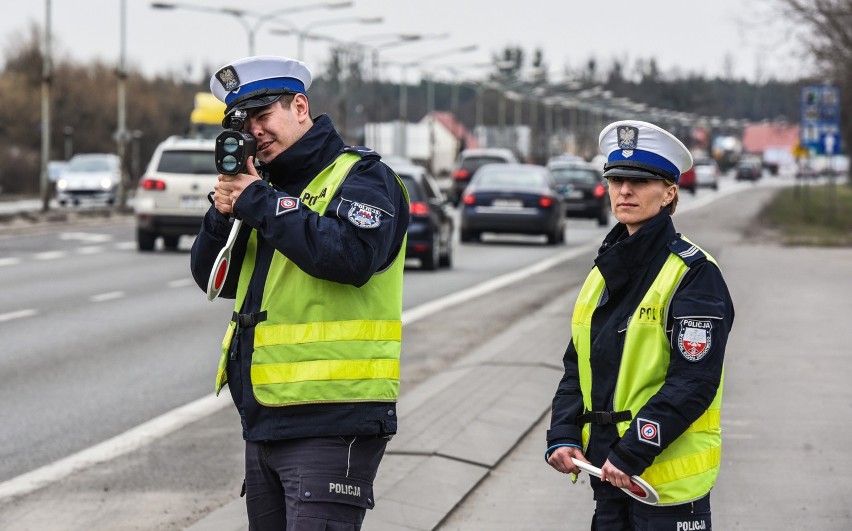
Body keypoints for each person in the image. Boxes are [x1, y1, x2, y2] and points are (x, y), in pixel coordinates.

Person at [190, 55, 409, 530]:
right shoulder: (263, 189)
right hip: (266, 418)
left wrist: (261, 202)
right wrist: (223, 212)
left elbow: (350, 257)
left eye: (264, 116)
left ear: (301, 107)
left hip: (334, 418)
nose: (255, 131)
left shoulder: (362, 178)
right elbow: (214, 279)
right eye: (244, 123)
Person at [545, 120, 734, 530]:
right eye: (616, 179)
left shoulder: (695, 274)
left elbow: (693, 382)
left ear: (669, 193)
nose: (625, 190)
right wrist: (562, 434)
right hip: (609, 479)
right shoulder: (602, 272)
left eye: (640, 181)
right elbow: (578, 367)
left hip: (665, 490)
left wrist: (631, 451)